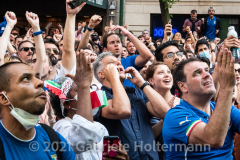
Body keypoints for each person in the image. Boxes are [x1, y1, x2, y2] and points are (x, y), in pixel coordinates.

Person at [162, 49, 240, 159]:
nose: (207, 75)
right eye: (197, 73)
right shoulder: (175, 115)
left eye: (207, 70)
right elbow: (213, 139)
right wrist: (226, 87)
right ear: (183, 86)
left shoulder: (228, 110)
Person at [93, 52, 170, 159]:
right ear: (101, 74)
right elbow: (122, 111)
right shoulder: (97, 96)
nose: (118, 63)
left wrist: (142, 83)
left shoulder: (138, 92)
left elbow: (166, 113)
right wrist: (115, 77)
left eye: (119, 62)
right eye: (112, 63)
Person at [0, 62, 76, 159]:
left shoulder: (54, 139)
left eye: (37, 77)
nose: (41, 82)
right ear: (4, 98)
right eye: (26, 79)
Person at [50, 48, 109, 160]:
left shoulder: (100, 127)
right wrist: (84, 85)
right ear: (66, 104)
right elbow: (84, 139)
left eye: (88, 88)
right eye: (79, 90)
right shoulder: (61, 127)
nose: (87, 92)